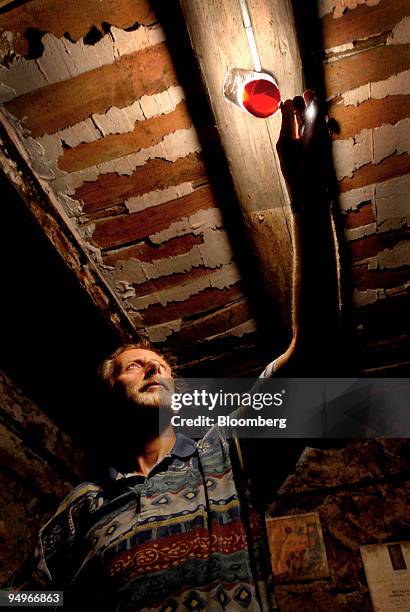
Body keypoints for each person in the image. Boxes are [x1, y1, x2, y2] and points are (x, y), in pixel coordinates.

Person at [7, 92, 340, 610]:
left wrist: (308, 195)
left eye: (161, 365)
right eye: (134, 365)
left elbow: (313, 353)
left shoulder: (228, 457)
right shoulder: (81, 509)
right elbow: (25, 600)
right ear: (109, 391)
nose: (152, 367)